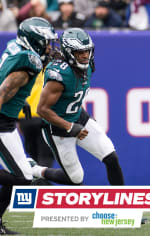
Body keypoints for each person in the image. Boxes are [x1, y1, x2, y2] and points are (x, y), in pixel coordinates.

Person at [29, 28, 125, 187]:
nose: (85, 56)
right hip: (57, 128)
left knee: (111, 157)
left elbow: (73, 96)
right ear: (68, 52)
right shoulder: (59, 74)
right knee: (75, 179)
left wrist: (83, 117)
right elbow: (42, 109)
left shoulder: (87, 65)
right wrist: (69, 126)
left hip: (78, 117)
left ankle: (122, 203)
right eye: (79, 52)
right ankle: (37, 170)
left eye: (87, 51)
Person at [0, 17, 57, 234]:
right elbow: (3, 90)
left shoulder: (18, 48)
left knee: (20, 174)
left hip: (7, 120)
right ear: (34, 41)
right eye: (46, 42)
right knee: (22, 178)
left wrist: (20, 100)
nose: (50, 47)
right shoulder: (28, 62)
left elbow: (8, 83)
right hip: (1, 122)